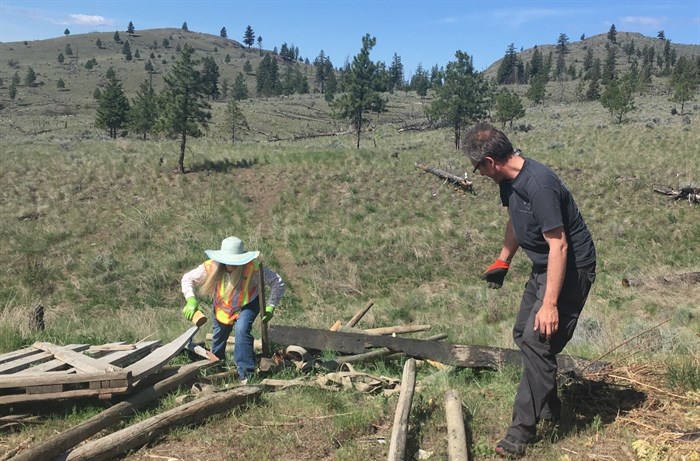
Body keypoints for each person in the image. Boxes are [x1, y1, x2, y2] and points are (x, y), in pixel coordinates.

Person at [462, 123, 596, 458]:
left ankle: (518, 434)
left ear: (491, 161)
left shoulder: (539, 184)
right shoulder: (508, 181)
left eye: (476, 167)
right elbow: (516, 221)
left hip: (570, 268)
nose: (476, 173)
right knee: (524, 333)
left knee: (539, 339)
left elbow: (560, 246)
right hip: (543, 266)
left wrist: (550, 303)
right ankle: (550, 410)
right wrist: (503, 260)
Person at [181, 236, 284, 382]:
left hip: (247, 304)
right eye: (228, 261)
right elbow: (187, 278)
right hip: (222, 307)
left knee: (242, 331)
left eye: (235, 262)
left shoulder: (253, 267)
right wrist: (190, 300)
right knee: (219, 336)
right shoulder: (211, 266)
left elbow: (277, 282)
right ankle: (216, 366)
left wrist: (271, 306)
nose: (231, 265)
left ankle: (246, 374)